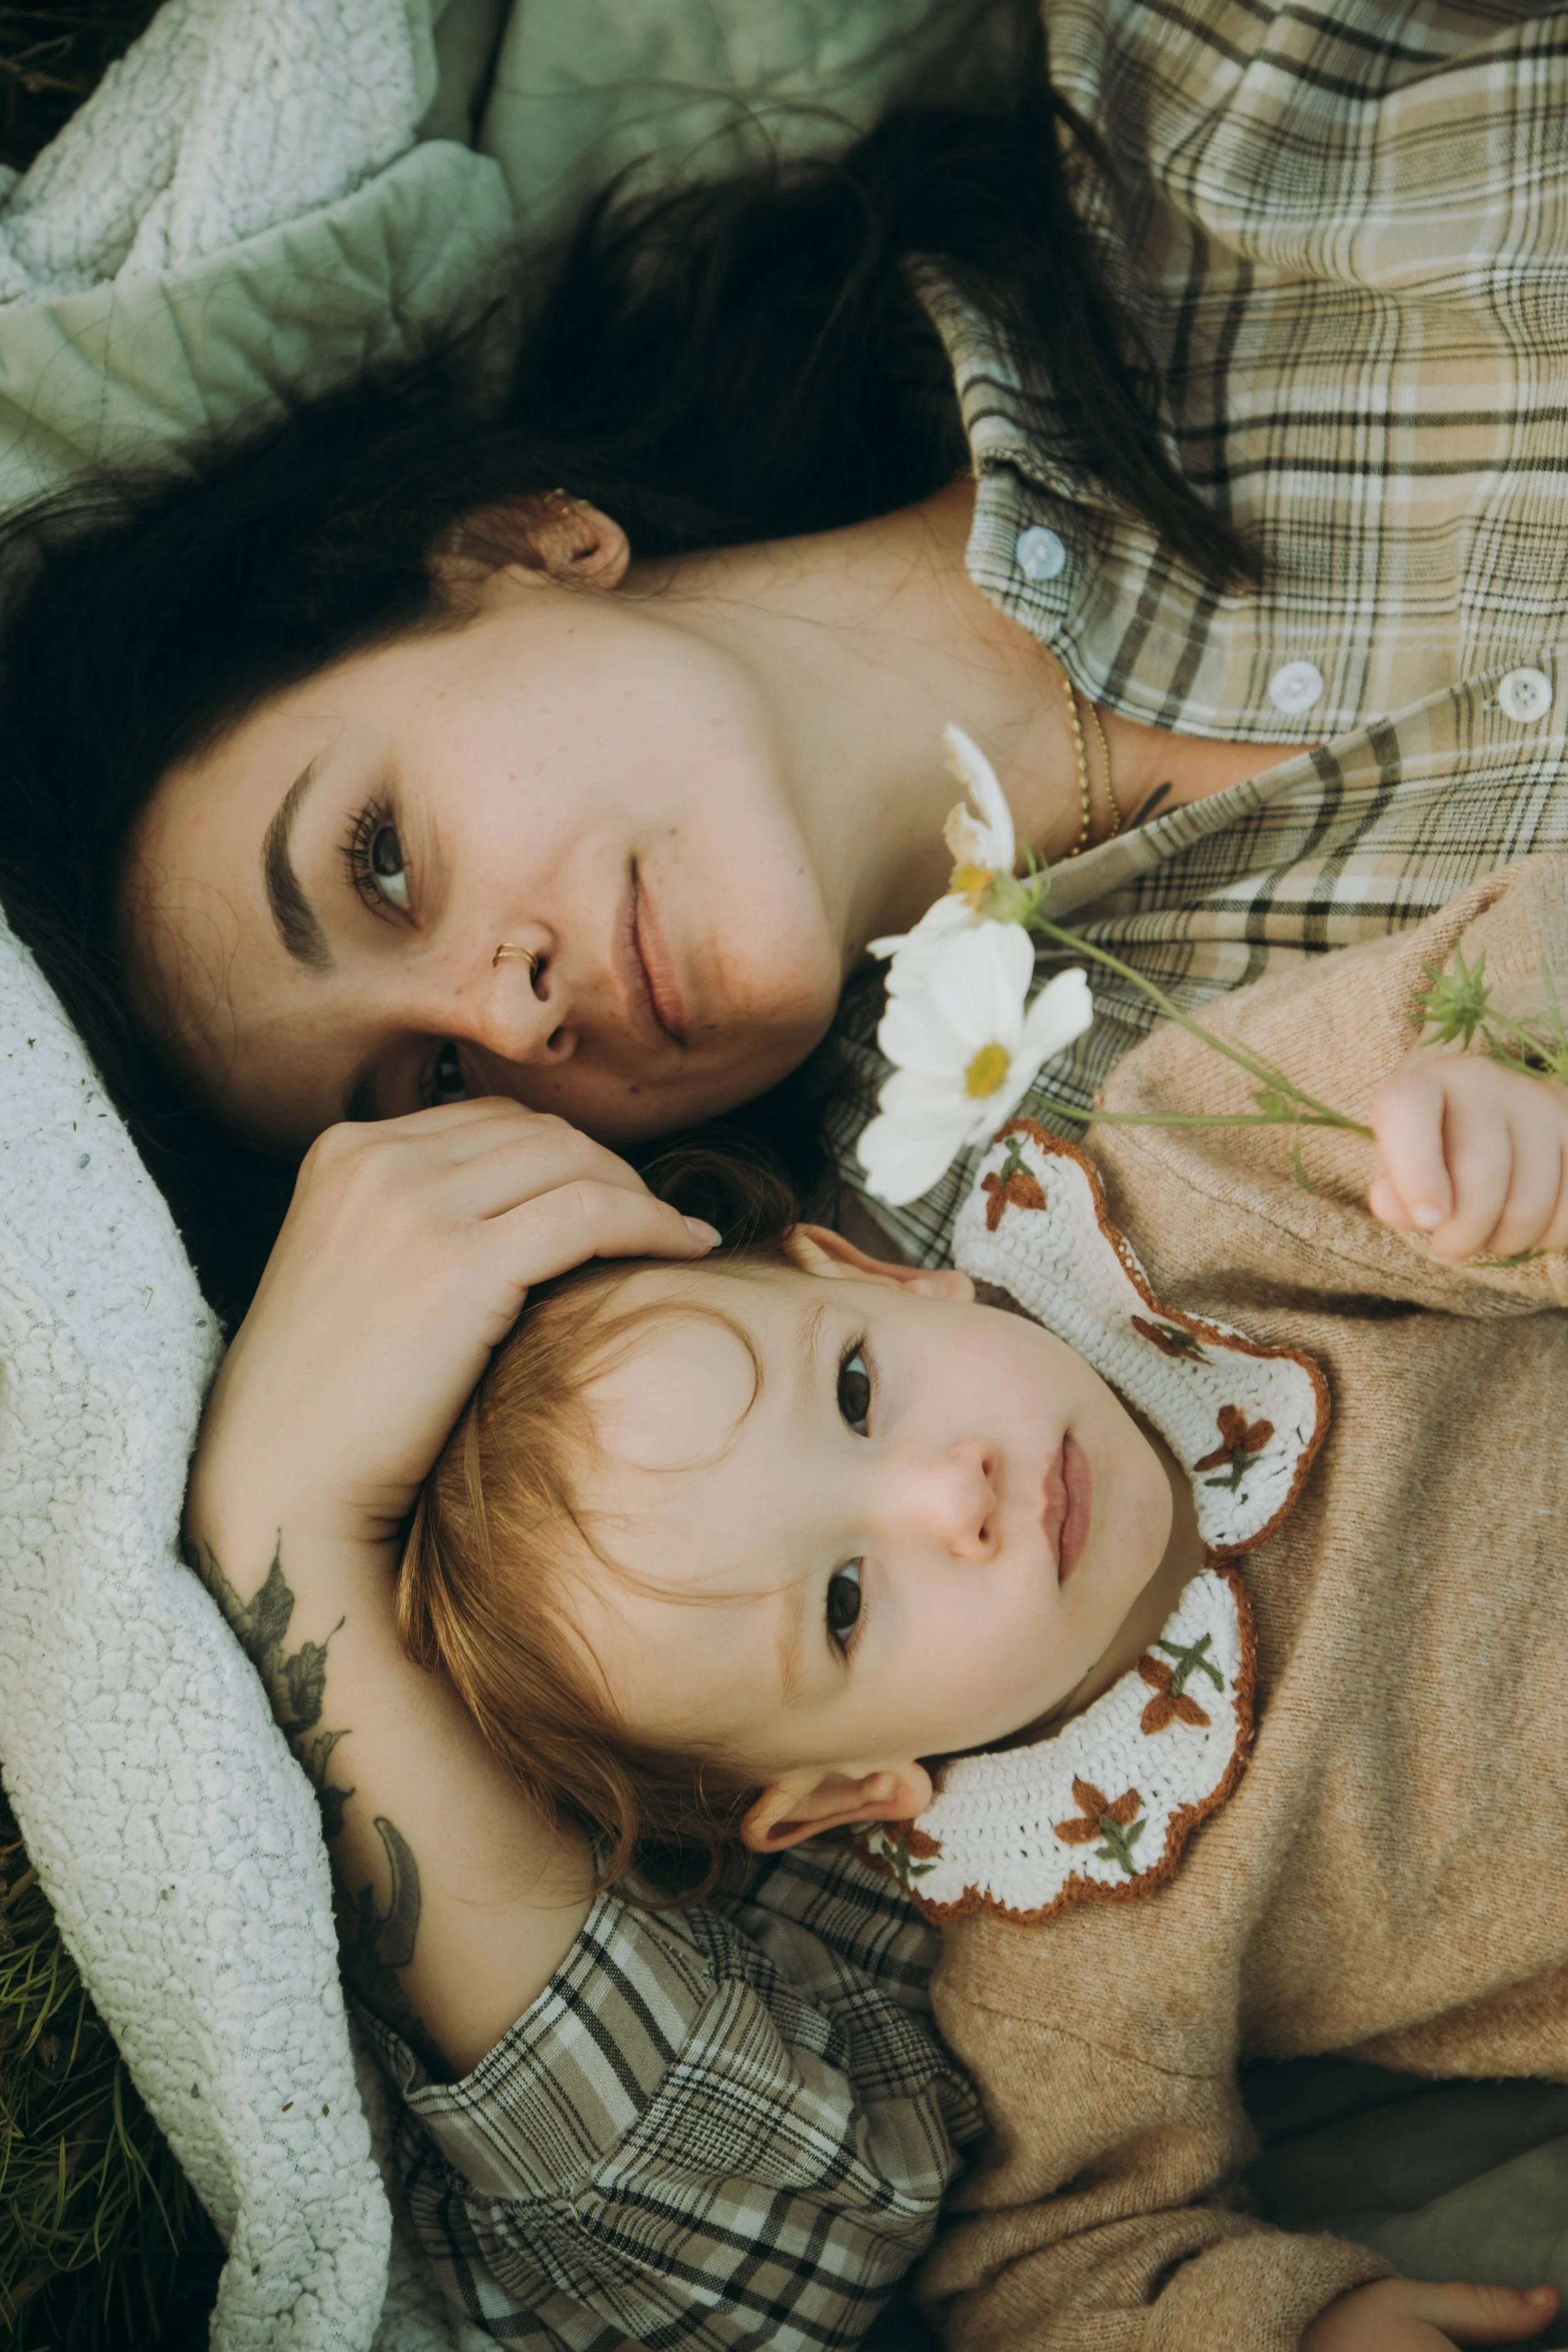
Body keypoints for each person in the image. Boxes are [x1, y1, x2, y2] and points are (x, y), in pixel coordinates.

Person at [9, 0, 1568, 2339]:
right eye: (427, 1106)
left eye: (391, 858)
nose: (506, 1013)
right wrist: (293, 1568)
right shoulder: (999, 1320)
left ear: (523, 548)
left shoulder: (1245, 126)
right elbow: (752, 2253)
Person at [191, 850, 1568, 2352]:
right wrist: (1303, 2324)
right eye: (845, 1606)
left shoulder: (1188, 1198)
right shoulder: (1063, 1960)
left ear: (883, 1279)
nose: (948, 1494)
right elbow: (1053, 2276)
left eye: (856, 1391)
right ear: (843, 1787)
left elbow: (1490, 958)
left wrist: (1494, 1088)